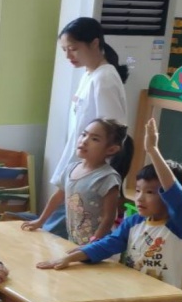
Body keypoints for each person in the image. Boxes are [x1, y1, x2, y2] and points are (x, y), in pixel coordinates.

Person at [42, 118, 182, 290]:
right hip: (129, 293)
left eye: (150, 192)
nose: (139, 198)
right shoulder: (134, 222)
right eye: (138, 190)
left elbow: (175, 194)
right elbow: (107, 245)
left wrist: (152, 151)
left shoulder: (181, 225)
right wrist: (70, 258)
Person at [38, 18, 129, 237]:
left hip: (90, 177)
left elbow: (114, 131)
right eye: (64, 50)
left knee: (64, 235)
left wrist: (94, 172)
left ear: (95, 43)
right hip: (77, 169)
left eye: (73, 49)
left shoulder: (105, 79)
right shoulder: (90, 74)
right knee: (57, 231)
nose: (68, 56)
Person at [23, 118, 132, 247]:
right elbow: (57, 198)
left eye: (95, 139)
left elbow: (109, 217)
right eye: (84, 134)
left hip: (96, 247)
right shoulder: (71, 168)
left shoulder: (107, 177)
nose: (84, 141)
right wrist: (40, 221)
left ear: (111, 150)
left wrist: (93, 244)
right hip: (73, 241)